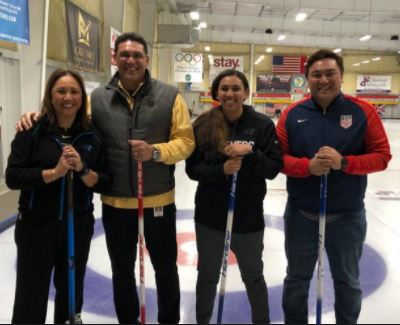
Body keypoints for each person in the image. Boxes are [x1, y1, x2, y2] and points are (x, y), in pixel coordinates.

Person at [276, 49, 392, 324]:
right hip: (301, 215)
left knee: (348, 283)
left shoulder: (362, 111)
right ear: (307, 79)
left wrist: (344, 163)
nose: (323, 80)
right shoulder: (292, 114)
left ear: (341, 77)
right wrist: (308, 168)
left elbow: (382, 156)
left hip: (347, 216)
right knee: (296, 280)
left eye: (330, 73)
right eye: (316, 74)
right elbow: (277, 159)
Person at [6, 68, 111, 324]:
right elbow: (14, 176)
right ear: (50, 95)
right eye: (61, 91)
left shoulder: (92, 135)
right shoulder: (31, 130)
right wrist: (56, 172)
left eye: (74, 91)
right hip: (36, 226)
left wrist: (82, 169)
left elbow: (105, 181)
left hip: (77, 226)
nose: (68, 97)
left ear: (82, 97)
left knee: (71, 293)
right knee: (31, 294)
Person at [186, 69, 282, 324]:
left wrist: (250, 152)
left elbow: (273, 169)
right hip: (210, 217)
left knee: (253, 275)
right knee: (207, 275)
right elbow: (192, 170)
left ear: (246, 93)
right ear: (216, 93)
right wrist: (222, 169)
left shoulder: (261, 125)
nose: (230, 94)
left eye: (236, 88)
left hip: (248, 218)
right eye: (224, 89)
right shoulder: (203, 124)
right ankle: (203, 320)